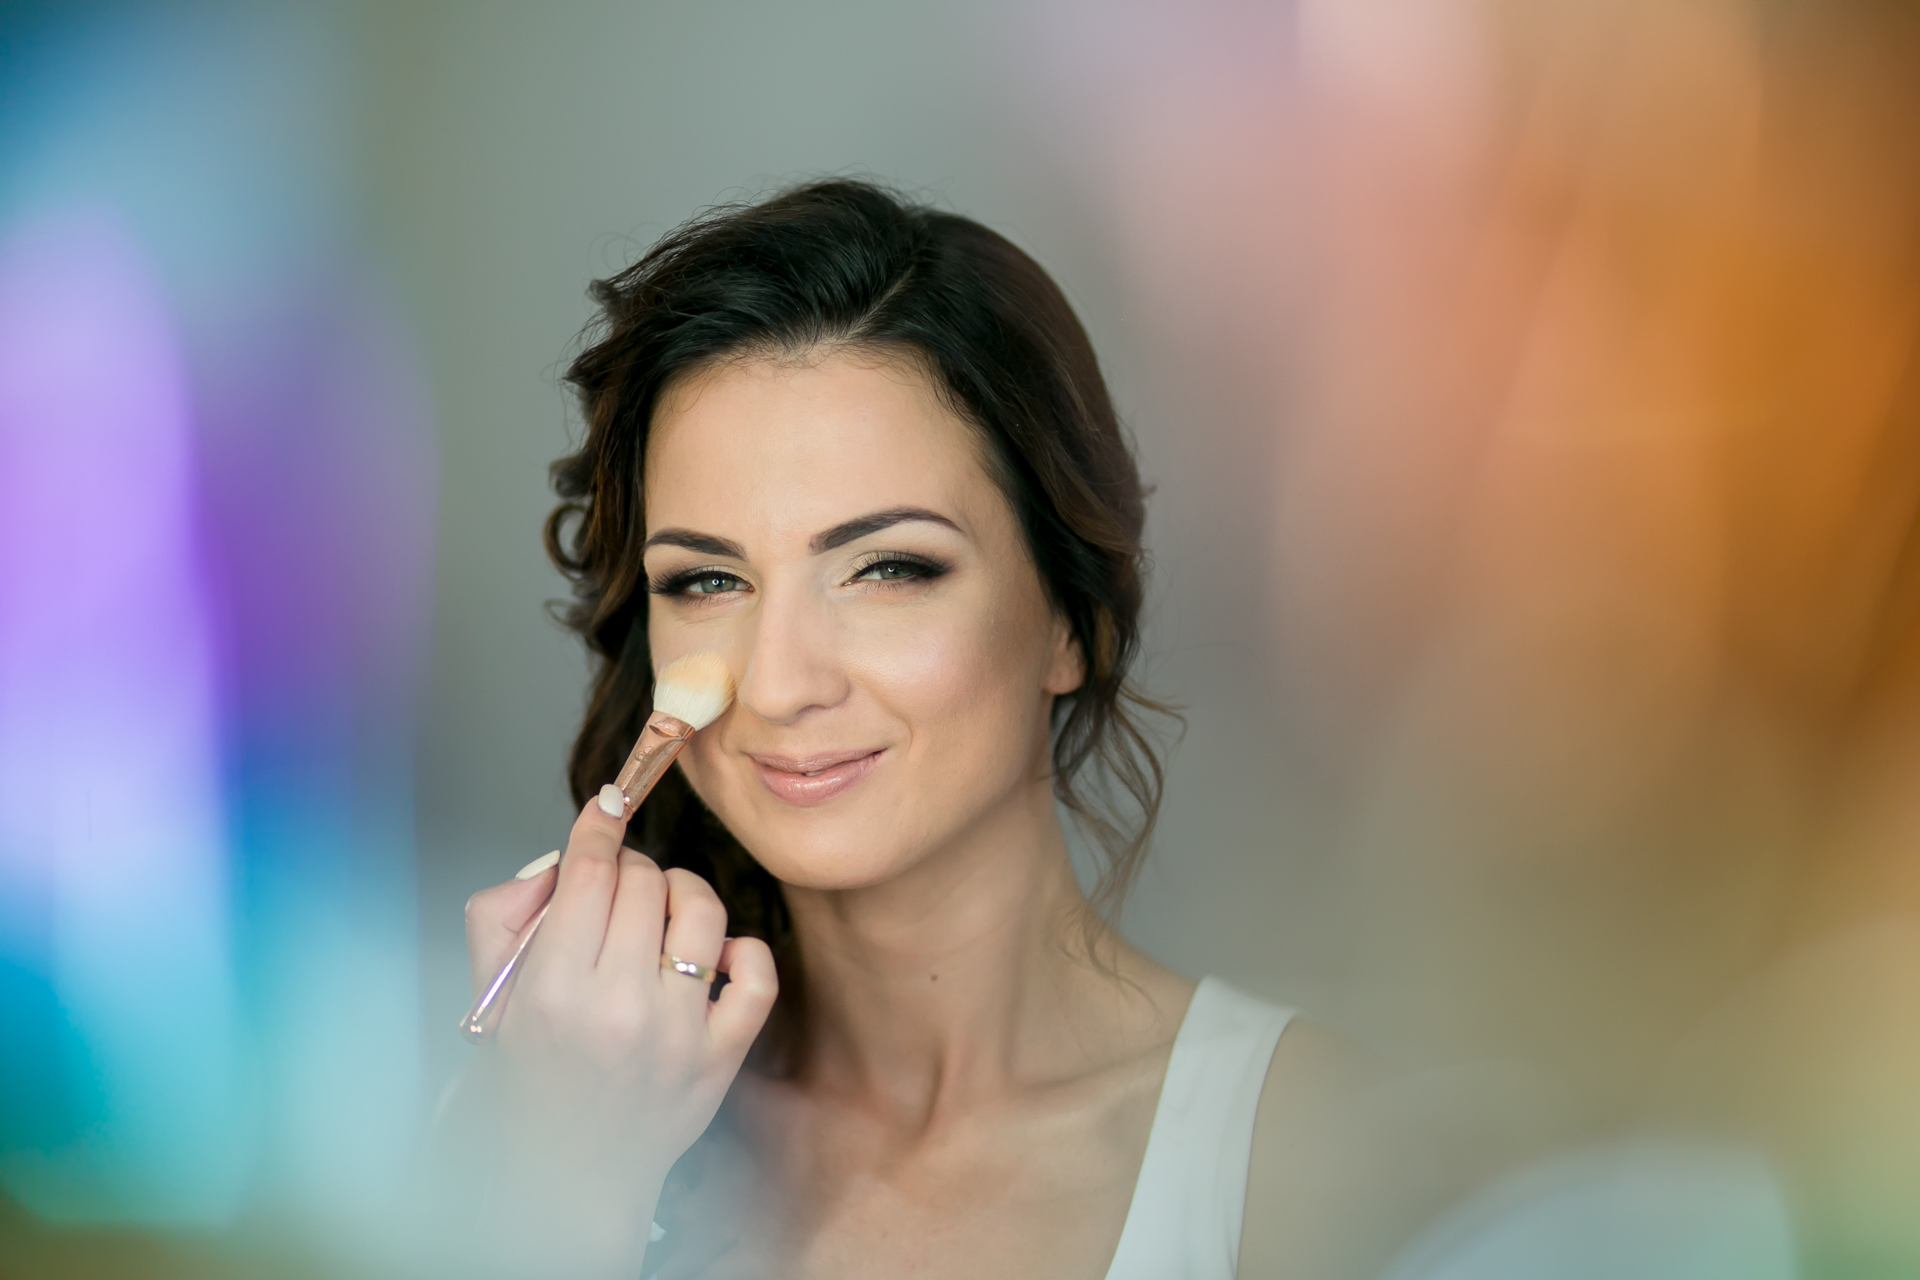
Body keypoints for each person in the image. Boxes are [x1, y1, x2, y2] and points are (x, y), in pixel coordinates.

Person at [452, 180, 1376, 1280]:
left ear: (1071, 620)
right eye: (707, 579)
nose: (778, 685)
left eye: (888, 568)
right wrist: (562, 1188)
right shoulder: (544, 1117)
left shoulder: (1319, 1157)